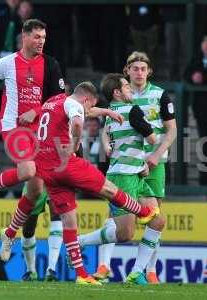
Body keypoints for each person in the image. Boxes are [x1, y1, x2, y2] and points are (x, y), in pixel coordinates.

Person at [33, 81, 159, 285]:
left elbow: (85, 110)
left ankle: (82, 275)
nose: (89, 111)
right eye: (90, 106)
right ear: (86, 99)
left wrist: (106, 113)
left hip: (46, 168)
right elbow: (77, 121)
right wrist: (74, 145)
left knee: (69, 221)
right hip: (67, 163)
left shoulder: (54, 101)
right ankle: (143, 212)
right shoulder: (75, 106)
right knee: (108, 189)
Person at [0, 19, 64, 216]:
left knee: (35, 191)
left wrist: (35, 111)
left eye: (43, 37)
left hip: (39, 128)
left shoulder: (50, 64)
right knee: (27, 171)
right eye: (37, 37)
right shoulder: (6, 63)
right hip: (11, 125)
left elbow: (60, 100)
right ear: (24, 36)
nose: (41, 41)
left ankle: (11, 233)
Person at [92, 52, 177, 284]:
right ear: (127, 71)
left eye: (143, 68)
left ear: (149, 72)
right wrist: (104, 144)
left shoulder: (159, 95)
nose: (139, 72)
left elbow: (172, 130)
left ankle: (148, 270)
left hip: (153, 163)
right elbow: (106, 127)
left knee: (154, 217)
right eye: (135, 68)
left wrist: (156, 156)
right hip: (128, 164)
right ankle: (104, 265)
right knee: (117, 216)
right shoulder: (119, 95)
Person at [78, 73, 164, 285]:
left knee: (158, 221)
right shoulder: (133, 110)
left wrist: (140, 162)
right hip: (123, 178)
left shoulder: (110, 114)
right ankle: (80, 241)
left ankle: (136, 272)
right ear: (117, 92)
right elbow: (152, 139)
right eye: (126, 87)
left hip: (133, 174)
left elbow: (115, 137)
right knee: (126, 233)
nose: (131, 90)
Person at [19, 183, 62, 282]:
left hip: (56, 177)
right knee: (28, 229)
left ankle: (51, 269)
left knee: (56, 213)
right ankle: (31, 270)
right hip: (36, 179)